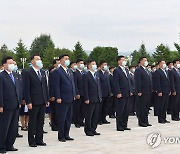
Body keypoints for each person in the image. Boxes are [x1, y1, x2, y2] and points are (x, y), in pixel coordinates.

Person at [23, 54, 49, 147]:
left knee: (41, 121)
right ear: (32, 61)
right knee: (32, 122)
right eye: (37, 59)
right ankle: (31, 141)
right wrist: (28, 101)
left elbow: (45, 87)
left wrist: (46, 99)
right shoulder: (28, 72)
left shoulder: (42, 72)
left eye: (40, 59)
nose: (39, 60)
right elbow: (26, 88)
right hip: (33, 101)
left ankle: (39, 139)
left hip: (42, 100)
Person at [0, 56, 22, 153]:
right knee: (4, 127)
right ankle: (2, 146)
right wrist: (1, 105)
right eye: (10, 63)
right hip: (6, 105)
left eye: (13, 63)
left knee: (13, 127)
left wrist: (19, 101)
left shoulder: (15, 75)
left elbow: (18, 89)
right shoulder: (1, 76)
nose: (12, 65)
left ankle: (10, 144)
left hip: (15, 105)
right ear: (4, 65)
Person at [54, 54, 76, 142]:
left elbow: (72, 84)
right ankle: (61, 135)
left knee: (68, 118)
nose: (68, 60)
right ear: (61, 60)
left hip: (70, 97)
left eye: (68, 58)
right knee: (62, 118)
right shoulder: (57, 71)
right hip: (62, 98)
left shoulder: (69, 71)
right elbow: (56, 86)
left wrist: (74, 94)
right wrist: (58, 97)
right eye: (66, 59)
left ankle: (67, 134)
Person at [83, 60, 102, 136]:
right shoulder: (86, 75)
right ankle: (88, 130)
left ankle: (93, 128)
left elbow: (99, 87)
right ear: (89, 66)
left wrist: (100, 96)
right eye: (93, 64)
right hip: (90, 99)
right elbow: (85, 88)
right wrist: (86, 98)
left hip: (97, 98)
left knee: (95, 115)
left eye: (95, 64)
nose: (95, 65)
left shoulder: (96, 75)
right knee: (89, 115)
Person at [113, 56, 132, 131]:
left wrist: (130, 90)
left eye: (124, 60)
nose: (124, 61)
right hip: (121, 93)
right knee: (120, 110)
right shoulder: (116, 70)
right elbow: (116, 83)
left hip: (127, 93)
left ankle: (124, 124)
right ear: (118, 61)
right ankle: (119, 126)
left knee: (126, 110)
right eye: (122, 60)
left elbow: (128, 81)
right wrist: (118, 92)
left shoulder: (126, 70)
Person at [134, 57, 152, 127]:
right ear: (141, 61)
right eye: (145, 60)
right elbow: (138, 81)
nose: (146, 61)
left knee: (146, 108)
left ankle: (146, 121)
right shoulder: (138, 70)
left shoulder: (146, 70)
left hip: (148, 91)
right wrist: (139, 91)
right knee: (142, 107)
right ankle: (141, 122)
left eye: (146, 60)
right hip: (142, 92)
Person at [73, 59, 85, 128]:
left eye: (82, 63)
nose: (82, 64)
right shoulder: (75, 73)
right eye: (81, 63)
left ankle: (81, 120)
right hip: (78, 94)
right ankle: (76, 121)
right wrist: (77, 93)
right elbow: (75, 84)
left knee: (83, 109)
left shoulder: (84, 72)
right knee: (77, 108)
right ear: (77, 64)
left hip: (84, 93)